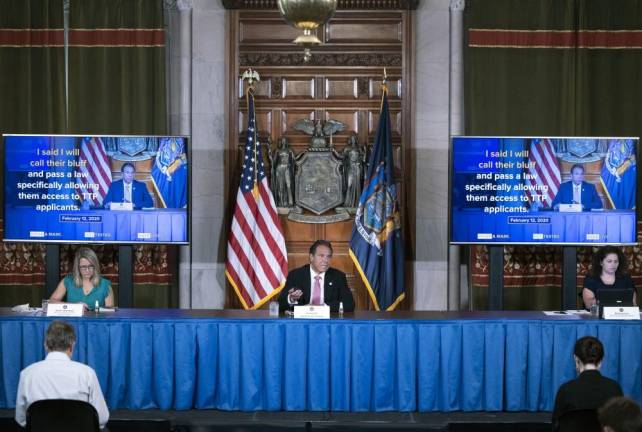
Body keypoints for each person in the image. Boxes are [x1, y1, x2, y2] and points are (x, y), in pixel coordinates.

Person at [15, 320, 109, 429]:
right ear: (72, 345)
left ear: (45, 345)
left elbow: (21, 419)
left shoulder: (27, 374)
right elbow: (102, 419)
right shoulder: (87, 374)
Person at [551, 336, 623, 431]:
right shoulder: (615, 389)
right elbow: (621, 426)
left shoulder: (565, 390)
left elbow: (556, 427)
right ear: (601, 361)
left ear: (576, 359)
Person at [278, 240, 355, 313]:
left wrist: (324, 308)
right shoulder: (296, 275)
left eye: (328, 256)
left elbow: (349, 305)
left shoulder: (338, 277)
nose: (325, 260)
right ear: (311, 257)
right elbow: (280, 304)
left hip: (328, 322)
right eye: (321, 256)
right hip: (302, 322)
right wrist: (291, 298)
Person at [50, 247, 114, 311]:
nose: (87, 270)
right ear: (77, 267)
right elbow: (51, 302)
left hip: (96, 321)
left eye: (91, 266)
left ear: (96, 266)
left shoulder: (105, 285)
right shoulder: (68, 281)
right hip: (72, 321)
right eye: (83, 267)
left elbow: (109, 314)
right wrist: (74, 306)